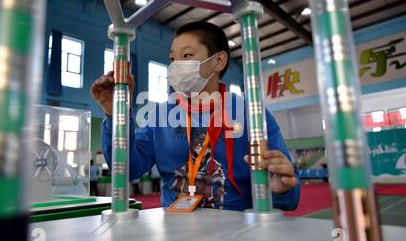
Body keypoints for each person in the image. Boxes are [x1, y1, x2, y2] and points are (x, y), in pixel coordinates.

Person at [91, 21, 300, 211]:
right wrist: (115, 114)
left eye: (186, 56)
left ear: (218, 61)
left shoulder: (252, 113)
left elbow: (290, 197)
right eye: (172, 58)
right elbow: (128, 168)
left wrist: (280, 191)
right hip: (174, 229)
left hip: (237, 229)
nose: (175, 65)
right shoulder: (160, 114)